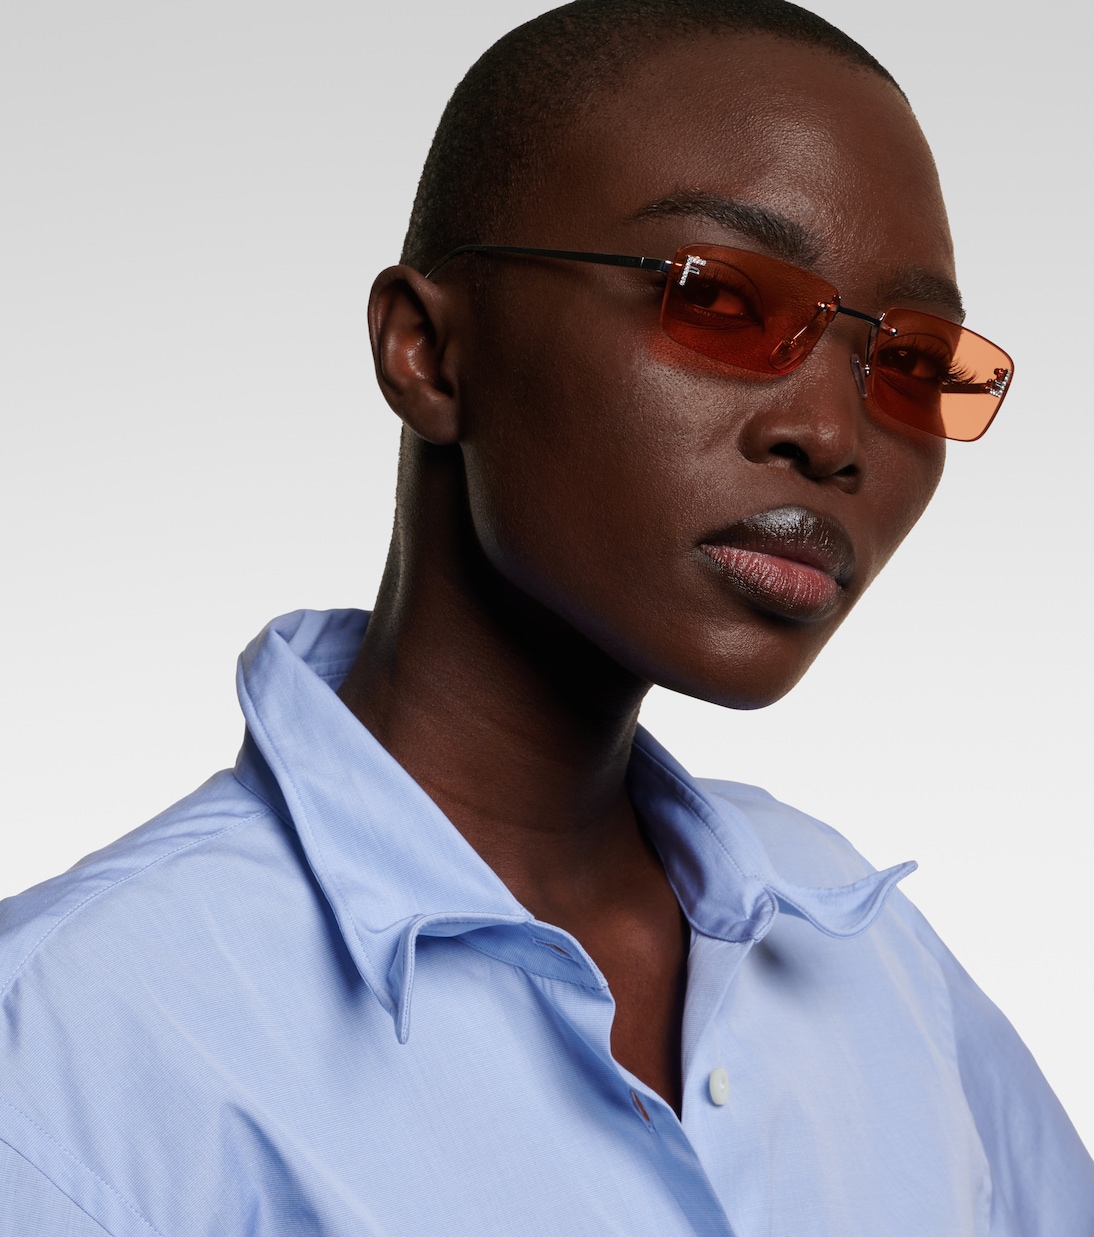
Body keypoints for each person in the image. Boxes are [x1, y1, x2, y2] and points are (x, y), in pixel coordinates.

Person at [1, 0, 1090, 1233]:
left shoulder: (862, 946)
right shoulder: (65, 1061)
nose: (831, 435)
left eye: (910, 363)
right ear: (427, 351)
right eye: (721, 301)